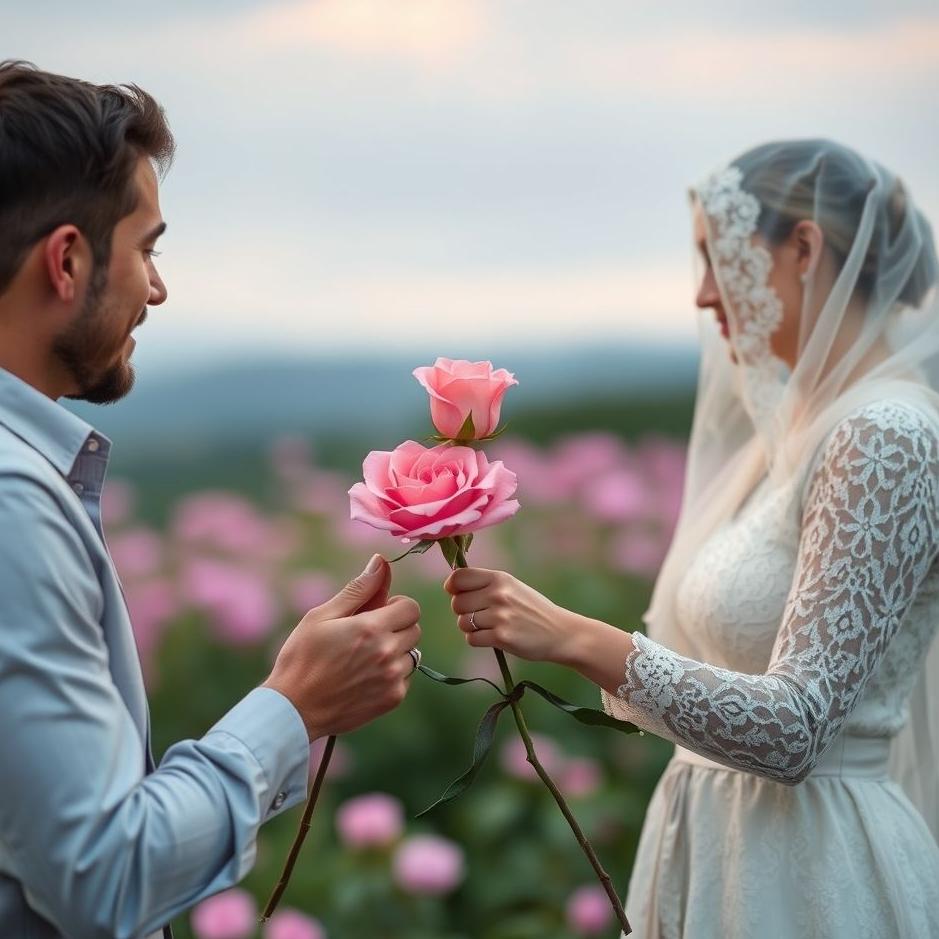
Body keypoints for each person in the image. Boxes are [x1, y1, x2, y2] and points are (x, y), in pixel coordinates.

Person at [446, 139, 939, 937]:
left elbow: (796, 727)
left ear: (803, 248)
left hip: (812, 879)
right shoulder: (798, 435)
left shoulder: (883, 434)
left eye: (719, 258)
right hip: (724, 857)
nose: (704, 294)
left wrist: (571, 635)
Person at [0, 61, 422, 939]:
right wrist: (292, 707)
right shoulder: (15, 505)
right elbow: (105, 876)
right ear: (69, 260)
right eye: (147, 246)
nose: (157, 288)